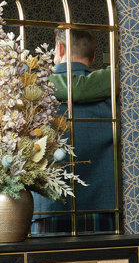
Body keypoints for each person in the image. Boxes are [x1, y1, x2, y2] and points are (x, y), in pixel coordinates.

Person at [32, 29, 115, 234]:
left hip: (46, 207)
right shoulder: (115, 90)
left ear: (59, 49)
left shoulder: (32, 93)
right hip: (103, 205)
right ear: (93, 56)